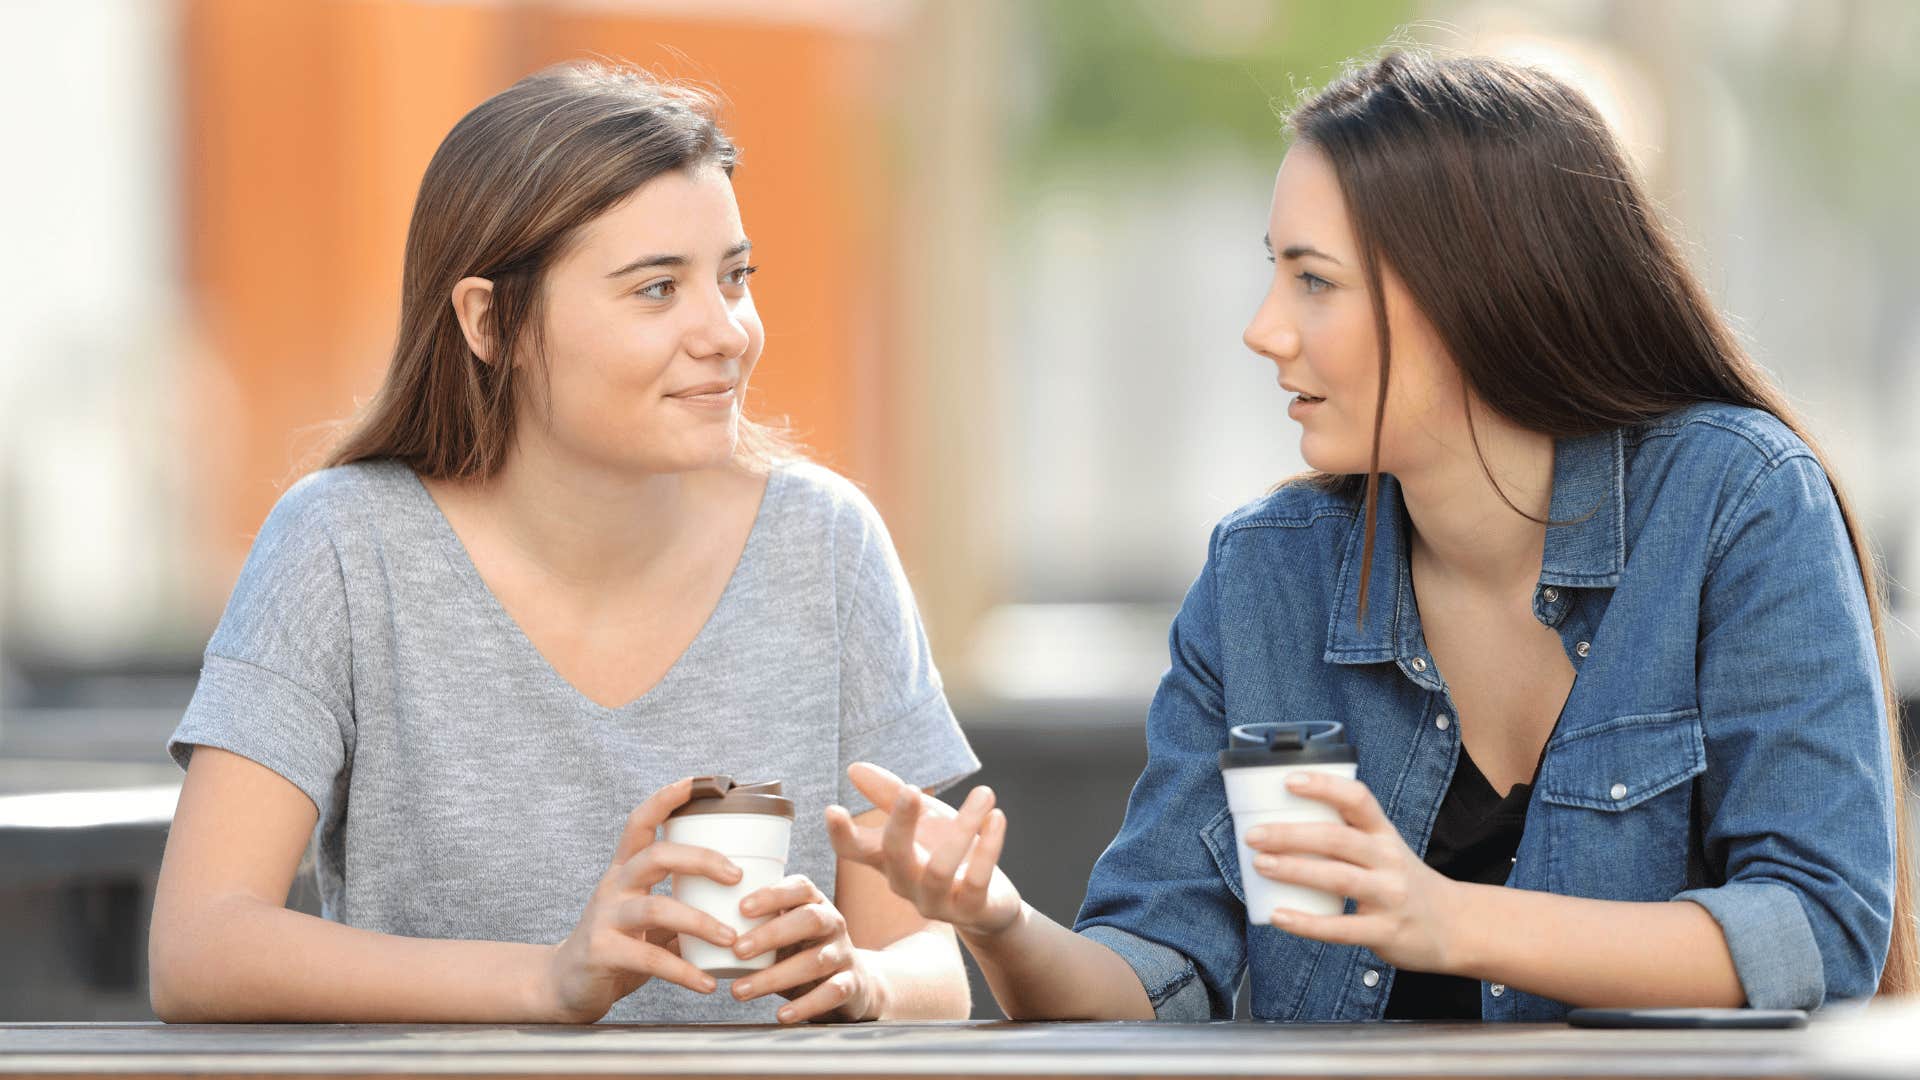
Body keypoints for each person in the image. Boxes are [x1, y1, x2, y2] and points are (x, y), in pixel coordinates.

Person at [830, 49, 1913, 1021]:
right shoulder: (1266, 574)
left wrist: (1447, 919)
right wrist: (998, 921)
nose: (1264, 328)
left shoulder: (1738, 502)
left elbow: (1820, 928)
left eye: (1313, 281)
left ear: (1476, 294)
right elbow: (1157, 973)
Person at [148, 62, 978, 1025]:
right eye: (658, 289)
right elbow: (200, 944)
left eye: (735, 277)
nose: (728, 332)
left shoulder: (828, 546)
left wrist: (865, 980)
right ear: (488, 320)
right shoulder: (342, 544)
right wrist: (547, 981)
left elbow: (934, 963)